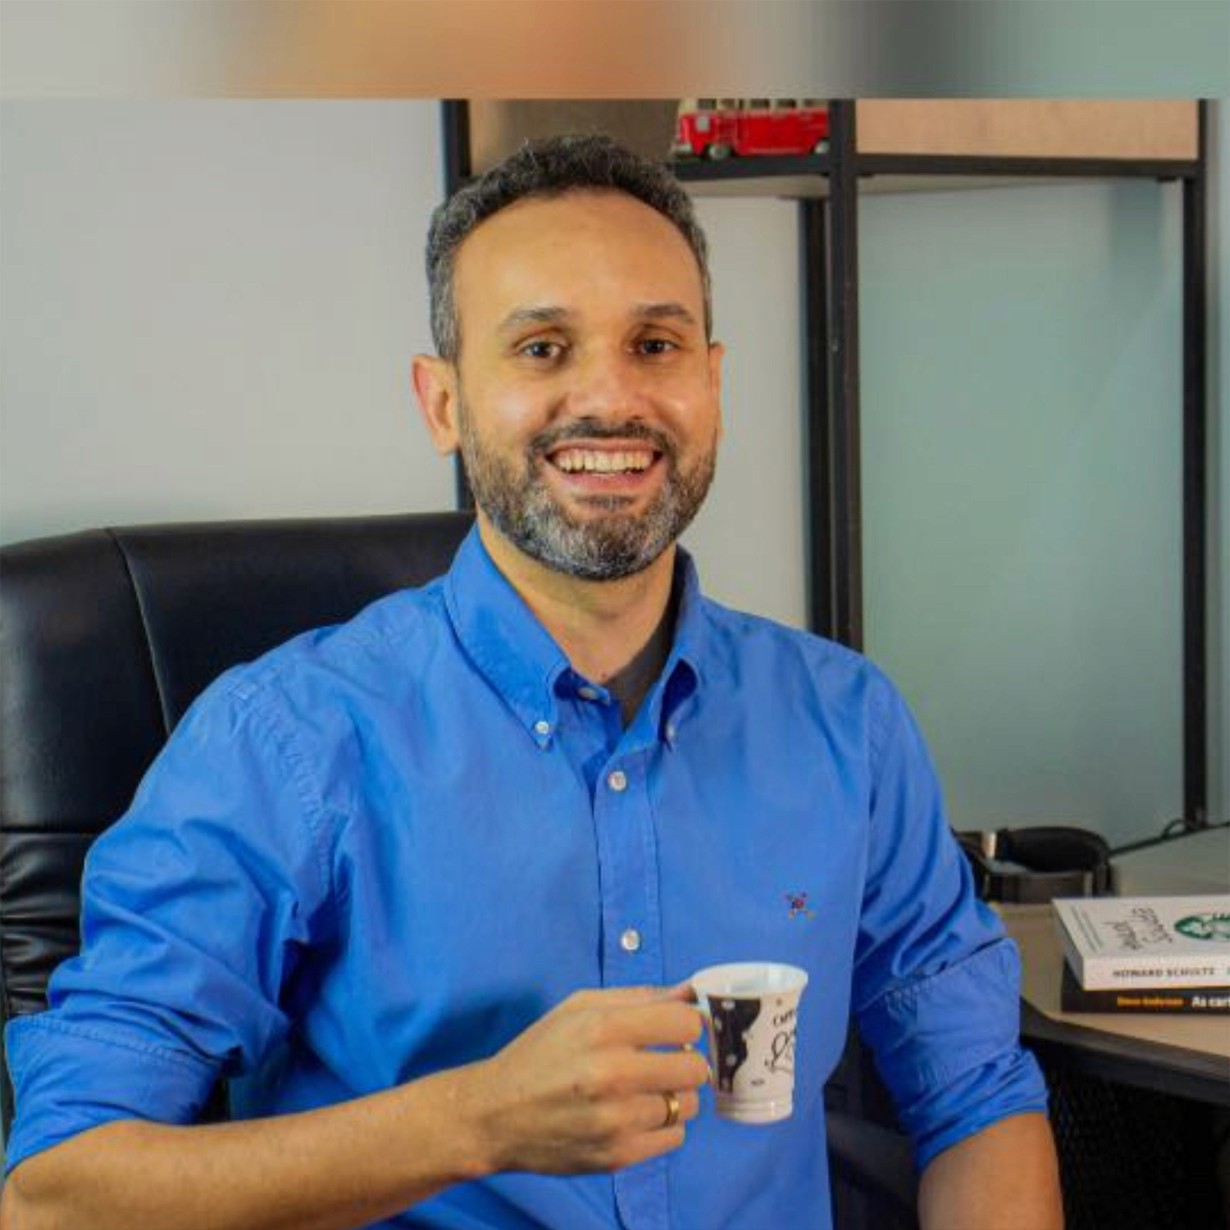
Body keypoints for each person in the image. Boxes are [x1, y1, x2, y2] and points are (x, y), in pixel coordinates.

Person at [1, 134, 1063, 1230]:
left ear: (712, 381)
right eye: (543, 348)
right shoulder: (285, 743)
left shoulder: (847, 723)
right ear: (443, 403)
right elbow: (56, 1197)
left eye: (656, 344)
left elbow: (977, 1099)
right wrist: (475, 1122)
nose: (609, 397)